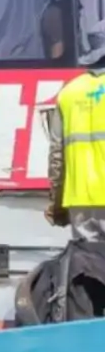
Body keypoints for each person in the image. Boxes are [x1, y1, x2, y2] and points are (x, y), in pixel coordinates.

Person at [46, 20, 105, 240]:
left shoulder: (69, 93)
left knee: (88, 268)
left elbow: (56, 156)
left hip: (80, 202)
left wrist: (57, 201)